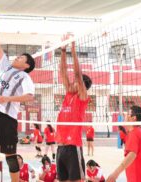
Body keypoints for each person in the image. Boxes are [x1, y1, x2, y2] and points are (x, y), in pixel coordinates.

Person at [0, 15, 35, 182]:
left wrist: (9, 98)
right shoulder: (5, 67)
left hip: (7, 118)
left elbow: (30, 97)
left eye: (21, 58)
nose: (17, 57)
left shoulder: (25, 77)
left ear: (26, 65)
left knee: (10, 156)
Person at [55, 35, 92, 182]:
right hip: (60, 147)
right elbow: (63, 72)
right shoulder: (69, 94)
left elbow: (77, 73)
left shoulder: (82, 97)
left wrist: (73, 48)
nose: (72, 82)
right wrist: (63, 50)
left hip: (73, 147)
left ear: (81, 84)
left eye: (76, 81)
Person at [107, 105, 141, 182]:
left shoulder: (133, 134)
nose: (125, 115)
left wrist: (115, 174)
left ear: (133, 118)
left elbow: (132, 155)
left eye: (128, 113)